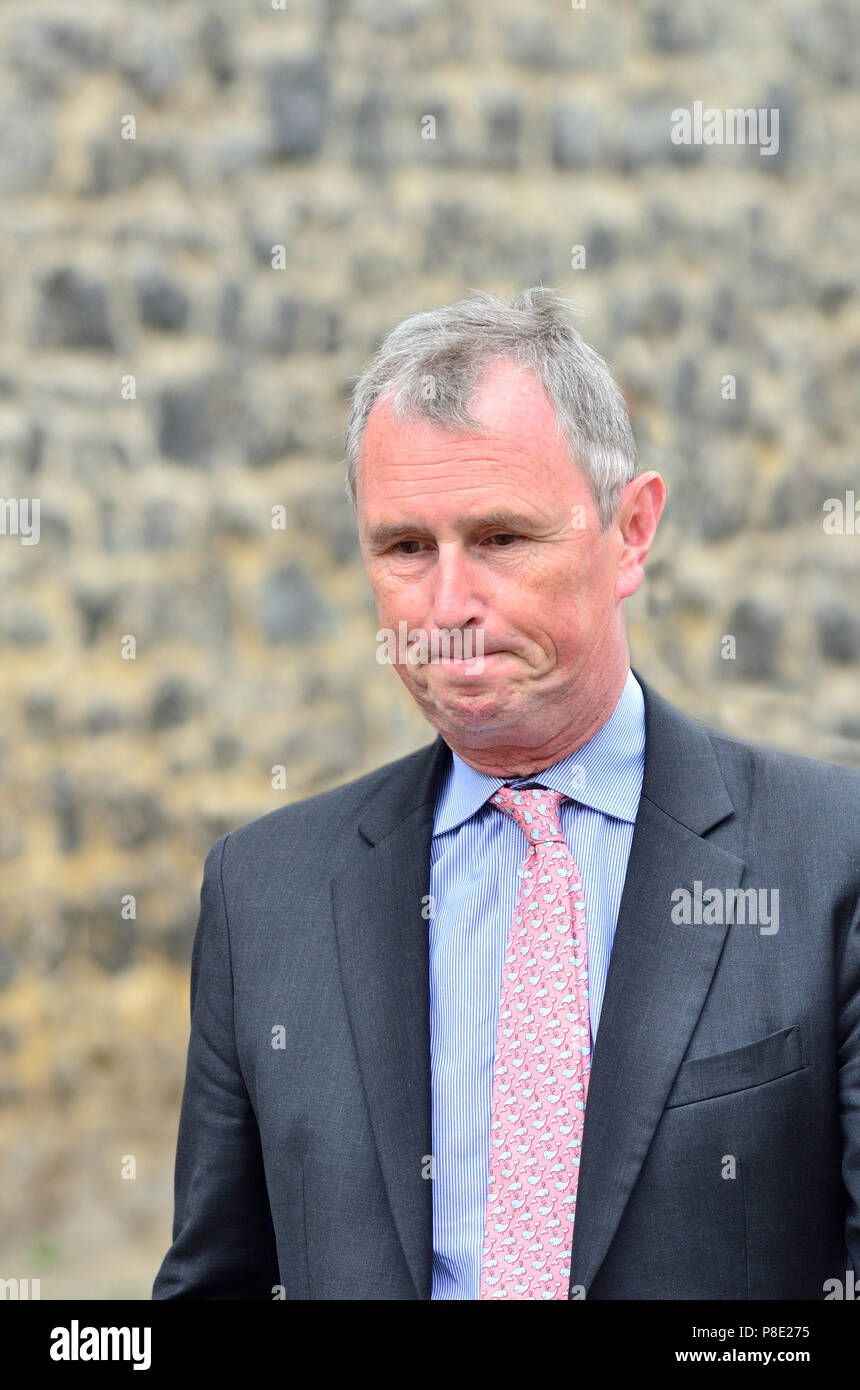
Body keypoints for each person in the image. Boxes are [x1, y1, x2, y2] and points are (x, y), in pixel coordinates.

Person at [152, 287, 860, 1300]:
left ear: (630, 530)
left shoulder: (826, 860)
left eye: (499, 539)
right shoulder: (264, 893)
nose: (447, 606)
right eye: (404, 549)